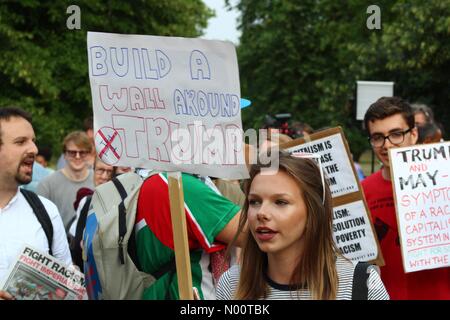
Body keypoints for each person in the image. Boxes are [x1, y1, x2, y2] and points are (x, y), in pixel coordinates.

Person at [216, 151, 389, 300]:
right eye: (254, 201)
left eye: (280, 202)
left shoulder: (361, 284)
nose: (262, 213)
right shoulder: (231, 284)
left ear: (313, 211)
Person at [362, 96, 450, 299]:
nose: (387, 145)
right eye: (377, 137)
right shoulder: (362, 192)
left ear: (413, 134)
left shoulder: (445, 182)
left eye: (396, 134)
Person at [0, 107, 72, 300]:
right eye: (21, 142)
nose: (34, 149)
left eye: (33, 141)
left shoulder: (46, 211)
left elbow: (68, 288)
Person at [135, 172, 243, 299]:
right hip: (189, 291)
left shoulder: (150, 182)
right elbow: (249, 232)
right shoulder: (180, 183)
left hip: (161, 290)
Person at [37, 131, 94, 232]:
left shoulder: (99, 181)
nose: (77, 156)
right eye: (72, 152)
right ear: (64, 155)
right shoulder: (47, 184)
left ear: (89, 154)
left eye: (82, 152)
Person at [68, 157, 115, 271]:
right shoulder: (86, 202)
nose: (104, 176)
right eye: (100, 170)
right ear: (93, 171)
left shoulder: (121, 206)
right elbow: (74, 243)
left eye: (109, 172)